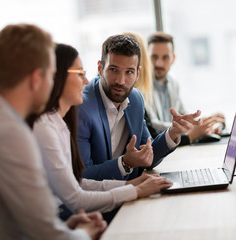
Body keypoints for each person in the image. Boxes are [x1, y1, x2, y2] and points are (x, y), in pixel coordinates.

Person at [0, 24, 106, 240]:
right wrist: (83, 233)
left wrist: (68, 227)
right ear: (35, 79)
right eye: (51, 76)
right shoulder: (9, 134)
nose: (53, 84)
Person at [29, 43, 172, 222]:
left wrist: (128, 185)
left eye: (129, 72)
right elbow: (75, 195)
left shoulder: (58, 124)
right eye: (80, 73)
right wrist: (134, 190)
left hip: (63, 216)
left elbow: (77, 184)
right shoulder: (47, 127)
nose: (87, 80)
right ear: (56, 77)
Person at [77, 34, 202, 181]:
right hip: (99, 199)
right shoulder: (81, 108)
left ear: (137, 74)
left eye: (129, 72)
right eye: (113, 69)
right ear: (100, 68)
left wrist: (173, 133)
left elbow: (148, 155)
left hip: (130, 193)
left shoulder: (135, 99)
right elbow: (83, 176)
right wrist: (125, 163)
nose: (121, 81)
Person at [147, 31, 226, 145]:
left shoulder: (173, 84)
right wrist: (192, 128)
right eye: (154, 57)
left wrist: (205, 122)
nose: (159, 63)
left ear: (173, 59)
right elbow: (153, 127)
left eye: (165, 57)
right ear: (146, 58)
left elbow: (184, 115)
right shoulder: (141, 87)